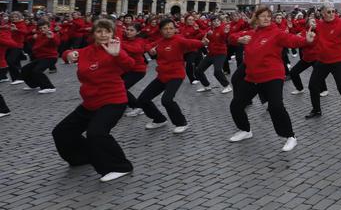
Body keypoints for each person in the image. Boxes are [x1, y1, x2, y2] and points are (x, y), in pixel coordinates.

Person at [53, 19, 136, 182]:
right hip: (90, 103)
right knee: (62, 132)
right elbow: (69, 54)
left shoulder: (116, 49)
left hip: (113, 100)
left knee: (96, 133)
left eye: (107, 31)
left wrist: (117, 54)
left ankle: (121, 166)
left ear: (113, 33)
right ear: (94, 34)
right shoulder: (86, 51)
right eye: (99, 31)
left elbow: (130, 65)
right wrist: (67, 54)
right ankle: (82, 157)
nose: (103, 34)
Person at [228, 6, 312, 152]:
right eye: (263, 16)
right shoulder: (252, 33)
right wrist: (240, 39)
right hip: (253, 77)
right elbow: (231, 37)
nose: (266, 18)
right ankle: (245, 130)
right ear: (256, 18)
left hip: (272, 76)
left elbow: (292, 40)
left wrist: (306, 40)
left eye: (268, 16)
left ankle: (290, 137)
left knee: (276, 107)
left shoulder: (276, 33)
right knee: (236, 105)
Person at [137, 18, 207, 133]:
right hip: (162, 76)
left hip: (176, 75)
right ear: (161, 31)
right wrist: (151, 50)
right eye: (165, 29)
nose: (168, 31)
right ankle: (159, 119)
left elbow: (191, 43)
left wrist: (203, 43)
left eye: (171, 28)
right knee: (143, 99)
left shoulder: (179, 39)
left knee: (167, 100)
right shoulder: (160, 41)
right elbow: (147, 45)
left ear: (175, 29)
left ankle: (181, 123)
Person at [196, 16, 232, 93]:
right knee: (198, 70)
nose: (216, 22)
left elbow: (225, 36)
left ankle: (227, 86)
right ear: (211, 22)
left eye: (218, 21)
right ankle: (206, 86)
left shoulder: (222, 29)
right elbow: (204, 38)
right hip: (211, 53)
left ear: (220, 22)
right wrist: (207, 36)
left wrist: (226, 32)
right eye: (214, 21)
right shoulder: (210, 30)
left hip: (220, 54)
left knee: (217, 71)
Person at [21, 19, 58, 93]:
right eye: (40, 28)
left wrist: (52, 38)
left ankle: (50, 87)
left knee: (37, 71)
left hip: (50, 57)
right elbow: (28, 39)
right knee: (25, 69)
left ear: (48, 27)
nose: (42, 30)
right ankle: (34, 85)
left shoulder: (52, 34)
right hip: (41, 58)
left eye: (44, 28)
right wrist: (32, 37)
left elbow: (56, 43)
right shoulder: (39, 35)